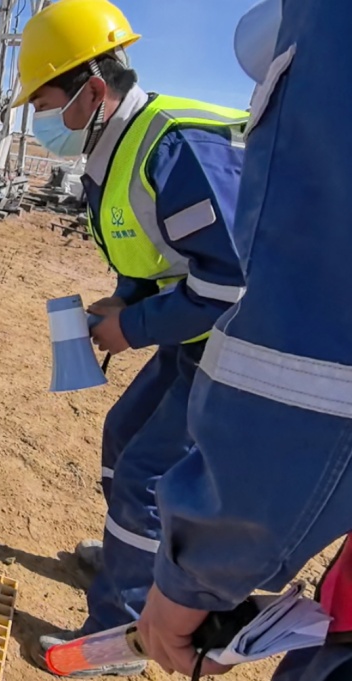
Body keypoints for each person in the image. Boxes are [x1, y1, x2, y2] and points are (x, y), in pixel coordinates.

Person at [11, 0, 249, 674]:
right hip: (198, 327)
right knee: (125, 433)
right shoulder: (112, 149)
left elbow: (231, 285)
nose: (39, 119)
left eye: (44, 103)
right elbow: (161, 256)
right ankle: (133, 562)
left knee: (148, 475)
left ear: (92, 91)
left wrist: (132, 326)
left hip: (244, 339)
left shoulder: (171, 146)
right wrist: (127, 299)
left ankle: (118, 635)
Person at [136, 1, 352, 679]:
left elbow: (310, 367)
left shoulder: (330, 39)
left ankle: (121, 589)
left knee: (141, 467)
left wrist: (196, 579)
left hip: (197, 344)